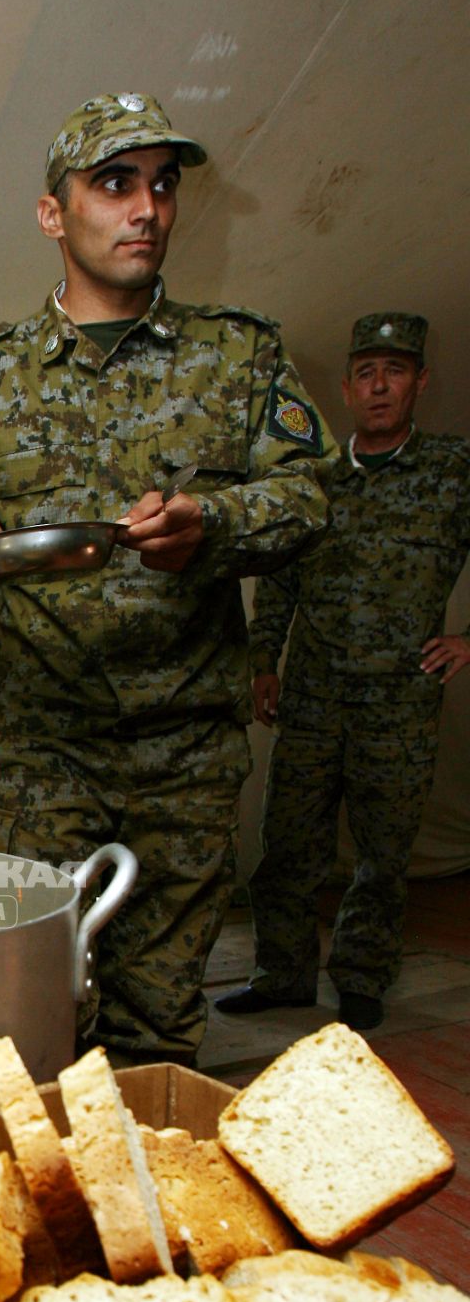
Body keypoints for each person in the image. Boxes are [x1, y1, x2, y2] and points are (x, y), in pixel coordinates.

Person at [0, 92, 333, 1064]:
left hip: (184, 752)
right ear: (54, 213)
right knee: (36, 1010)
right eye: (113, 183)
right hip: (44, 752)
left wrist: (213, 522)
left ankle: (139, 1202)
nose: (146, 208)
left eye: (162, 185)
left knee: (162, 1020)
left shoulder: (237, 355)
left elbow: (309, 499)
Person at [217, 313, 470, 1031]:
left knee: (384, 854)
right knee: (289, 843)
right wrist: (264, 659)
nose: (380, 386)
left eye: (395, 371)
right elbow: (282, 582)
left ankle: (362, 976)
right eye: (366, 372)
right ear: (348, 388)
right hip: (313, 694)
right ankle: (283, 974)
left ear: (420, 381)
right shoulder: (315, 480)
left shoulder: (453, 470)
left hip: (402, 699)